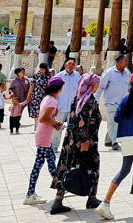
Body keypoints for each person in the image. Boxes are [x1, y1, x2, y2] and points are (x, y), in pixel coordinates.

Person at [95, 72, 133, 219]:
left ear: (130, 83)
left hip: (126, 138)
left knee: (125, 170)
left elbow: (117, 117)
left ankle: (106, 202)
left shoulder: (124, 99)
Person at [49, 73, 102, 214]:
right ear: (90, 85)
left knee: (68, 167)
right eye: (96, 83)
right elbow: (82, 123)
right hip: (85, 143)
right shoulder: (88, 101)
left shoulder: (77, 99)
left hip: (71, 141)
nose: (98, 86)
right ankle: (92, 198)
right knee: (93, 168)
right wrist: (85, 141)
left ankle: (58, 200)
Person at [23, 76, 65, 207]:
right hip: (44, 137)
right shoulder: (52, 101)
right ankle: (30, 194)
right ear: (58, 88)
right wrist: (56, 122)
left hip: (44, 136)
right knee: (39, 165)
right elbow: (43, 119)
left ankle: (60, 186)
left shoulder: (48, 99)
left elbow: (46, 118)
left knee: (51, 162)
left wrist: (53, 121)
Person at [98, 54, 131, 150]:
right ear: (119, 62)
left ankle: (108, 140)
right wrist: (96, 99)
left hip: (123, 102)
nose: (126, 62)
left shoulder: (127, 72)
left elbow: (129, 85)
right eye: (125, 60)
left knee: (117, 122)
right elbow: (101, 86)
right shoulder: (109, 72)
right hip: (111, 101)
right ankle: (114, 142)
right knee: (113, 122)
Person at [53, 59, 81, 149]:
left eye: (73, 64)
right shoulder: (59, 76)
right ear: (65, 65)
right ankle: (54, 145)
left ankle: (69, 145)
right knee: (57, 127)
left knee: (72, 128)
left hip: (73, 108)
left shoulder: (77, 76)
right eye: (69, 64)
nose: (71, 65)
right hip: (60, 106)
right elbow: (53, 92)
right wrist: (54, 106)